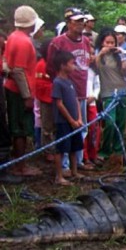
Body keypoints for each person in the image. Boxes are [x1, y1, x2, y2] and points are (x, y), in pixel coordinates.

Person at [47, 7, 94, 171]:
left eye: (82, 21)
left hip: (81, 89)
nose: (81, 24)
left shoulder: (86, 41)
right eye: (77, 21)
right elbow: (50, 66)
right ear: (68, 23)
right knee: (66, 128)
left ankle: (78, 162)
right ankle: (65, 166)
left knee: (82, 128)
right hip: (64, 90)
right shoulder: (58, 42)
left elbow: (87, 63)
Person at [4, 5, 41, 177]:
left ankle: (19, 162)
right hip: (19, 91)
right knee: (20, 128)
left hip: (13, 88)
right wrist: (27, 95)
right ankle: (20, 165)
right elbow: (18, 71)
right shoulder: (24, 41)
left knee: (18, 126)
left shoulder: (12, 36)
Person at [95, 30, 126, 165]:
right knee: (110, 122)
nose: (110, 45)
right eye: (107, 42)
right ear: (102, 43)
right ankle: (105, 150)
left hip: (122, 91)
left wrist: (122, 56)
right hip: (107, 93)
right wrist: (100, 53)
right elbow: (95, 68)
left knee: (120, 123)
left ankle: (118, 150)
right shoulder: (100, 56)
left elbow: (125, 71)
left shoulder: (118, 56)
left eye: (112, 42)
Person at [52, 51, 84, 185]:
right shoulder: (57, 82)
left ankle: (74, 171)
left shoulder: (70, 82)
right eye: (72, 63)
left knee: (74, 147)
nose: (74, 66)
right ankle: (59, 176)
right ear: (62, 65)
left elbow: (76, 100)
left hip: (75, 121)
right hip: (63, 122)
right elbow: (59, 104)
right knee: (61, 148)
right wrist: (70, 120)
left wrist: (79, 118)